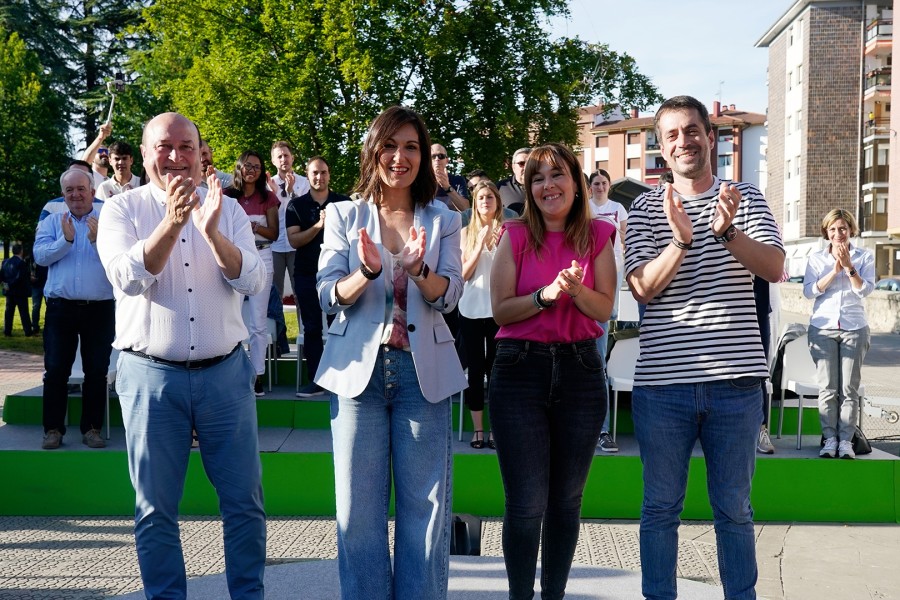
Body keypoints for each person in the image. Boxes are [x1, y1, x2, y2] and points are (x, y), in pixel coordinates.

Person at [96, 112, 267, 599]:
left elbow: (252, 279)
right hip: (150, 377)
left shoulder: (227, 209)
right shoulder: (122, 210)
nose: (176, 157)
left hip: (225, 375)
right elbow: (128, 278)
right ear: (144, 155)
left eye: (186, 146)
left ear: (201, 152)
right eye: (164, 147)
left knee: (244, 505)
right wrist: (172, 224)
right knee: (155, 509)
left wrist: (212, 233)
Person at [625, 95, 784, 600]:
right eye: (671, 135)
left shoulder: (746, 198)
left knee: (734, 510)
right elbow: (641, 288)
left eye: (691, 130)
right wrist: (681, 241)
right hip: (663, 386)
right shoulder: (647, 206)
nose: (683, 141)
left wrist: (727, 232)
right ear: (661, 150)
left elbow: (775, 268)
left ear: (710, 137)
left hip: (735, 385)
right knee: (659, 510)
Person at [315, 105, 466, 599]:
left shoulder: (444, 219)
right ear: (372, 151)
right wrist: (369, 273)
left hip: (424, 377)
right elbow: (326, 294)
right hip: (358, 373)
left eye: (411, 147)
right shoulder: (341, 214)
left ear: (422, 156)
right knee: (358, 513)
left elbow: (449, 297)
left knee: (426, 514)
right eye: (390, 145)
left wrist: (421, 271)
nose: (400, 157)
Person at [489, 142, 616, 599]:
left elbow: (603, 308)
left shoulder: (599, 234)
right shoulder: (515, 233)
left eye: (557, 175)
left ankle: (554, 596)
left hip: (581, 370)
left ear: (577, 183)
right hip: (519, 369)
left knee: (566, 503)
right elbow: (500, 311)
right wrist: (545, 296)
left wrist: (575, 290)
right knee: (526, 506)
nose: (548, 186)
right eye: (538, 178)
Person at [34, 169, 115, 450]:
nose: (75, 195)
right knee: (56, 370)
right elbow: (41, 257)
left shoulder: (108, 219)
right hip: (61, 308)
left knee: (96, 370)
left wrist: (97, 241)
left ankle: (92, 428)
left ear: (92, 190)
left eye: (81, 189)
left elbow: (120, 261)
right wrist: (65, 241)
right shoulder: (53, 221)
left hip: (100, 308)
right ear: (63, 194)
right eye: (69, 190)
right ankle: (53, 430)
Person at [803, 208, 875, 460]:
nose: (838, 233)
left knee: (848, 389)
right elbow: (810, 291)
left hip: (854, 327)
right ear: (826, 232)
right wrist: (834, 270)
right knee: (827, 388)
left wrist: (849, 267)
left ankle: (846, 441)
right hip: (822, 327)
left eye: (842, 228)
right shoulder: (816, 259)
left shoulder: (864, 256)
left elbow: (864, 290)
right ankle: (829, 439)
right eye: (833, 229)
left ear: (851, 230)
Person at [285, 156, 349, 397]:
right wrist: (318, 227)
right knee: (312, 328)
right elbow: (294, 240)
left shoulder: (344, 203)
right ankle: (318, 380)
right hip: (306, 273)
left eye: (323, 172)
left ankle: (341, 378)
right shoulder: (296, 206)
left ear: (329, 174)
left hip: (339, 275)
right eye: (314, 173)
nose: (319, 177)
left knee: (340, 326)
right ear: (307, 175)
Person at [226, 151, 280, 396]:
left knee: (258, 323)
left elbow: (274, 234)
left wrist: (253, 227)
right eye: (248, 165)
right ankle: (231, 372)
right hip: (233, 258)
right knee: (230, 317)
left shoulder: (267, 197)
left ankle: (257, 374)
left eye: (257, 167)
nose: (252, 170)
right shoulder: (227, 196)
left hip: (262, 257)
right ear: (239, 167)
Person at [459, 180, 505, 449]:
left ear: (497, 201)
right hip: (471, 309)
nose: (486, 201)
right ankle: (478, 429)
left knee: (497, 371)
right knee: (475, 371)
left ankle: (497, 430)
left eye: (490, 197)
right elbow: (462, 275)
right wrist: (479, 245)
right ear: (474, 204)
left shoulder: (508, 232)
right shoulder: (465, 233)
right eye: (481, 197)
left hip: (498, 310)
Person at [589, 168, 628, 453]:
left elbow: (626, 241)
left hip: (610, 285)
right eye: (596, 183)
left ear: (609, 186)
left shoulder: (618, 209)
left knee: (597, 362)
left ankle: (601, 430)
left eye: (604, 182)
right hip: (584, 285)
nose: (600, 186)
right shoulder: (584, 208)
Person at [270, 141, 311, 305]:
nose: (283, 159)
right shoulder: (268, 185)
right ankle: (277, 331)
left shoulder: (305, 183)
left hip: (297, 245)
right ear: (273, 161)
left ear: (292, 158)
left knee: (301, 291)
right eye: (279, 156)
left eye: (286, 155)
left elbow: (306, 213)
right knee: (274, 293)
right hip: (275, 246)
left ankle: (304, 330)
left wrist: (291, 192)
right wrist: (273, 194)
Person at [2, 243, 33, 337]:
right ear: (21, 251)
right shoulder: (21, 263)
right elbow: (20, 277)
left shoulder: (5, 262)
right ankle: (27, 331)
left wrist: (6, 284)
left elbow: (2, 275)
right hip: (19, 291)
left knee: (9, 312)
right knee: (24, 312)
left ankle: (7, 330)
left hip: (9, 291)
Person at [431, 142, 470, 211]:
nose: (437, 159)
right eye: (433, 156)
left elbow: (466, 209)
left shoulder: (458, 180)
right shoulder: (420, 180)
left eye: (441, 156)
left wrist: (447, 187)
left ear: (447, 160)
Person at [496, 147, 530, 214]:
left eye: (529, 163)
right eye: (522, 163)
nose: (526, 167)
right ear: (513, 167)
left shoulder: (543, 185)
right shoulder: (501, 187)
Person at [81, 122, 113, 187]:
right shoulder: (87, 176)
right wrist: (101, 137)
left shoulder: (112, 182)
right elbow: (83, 163)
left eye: (106, 151)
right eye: (100, 150)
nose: (104, 153)